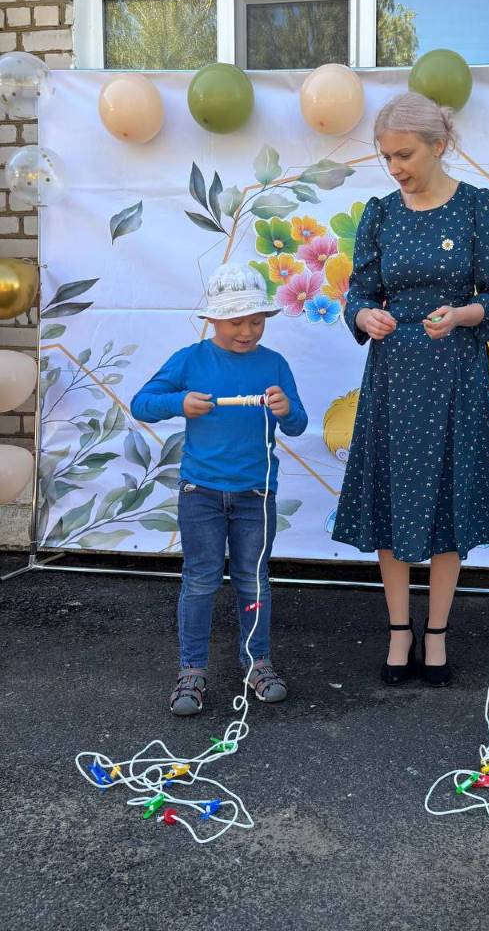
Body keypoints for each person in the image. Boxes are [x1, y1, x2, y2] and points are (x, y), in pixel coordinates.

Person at [332, 91, 489, 688]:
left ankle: (436, 632)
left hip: (455, 372)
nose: (395, 168)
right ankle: (399, 631)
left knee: (447, 501)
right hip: (391, 376)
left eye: (404, 155)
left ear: (439, 145)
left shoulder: (478, 207)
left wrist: (463, 315)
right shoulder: (380, 213)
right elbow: (360, 293)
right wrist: (364, 316)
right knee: (391, 498)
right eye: (386, 156)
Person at [130, 264, 307, 716]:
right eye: (236, 322)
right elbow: (141, 404)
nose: (247, 331)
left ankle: (257, 662)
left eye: (256, 321)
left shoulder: (274, 364)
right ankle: (191, 669)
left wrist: (286, 410)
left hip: (256, 494)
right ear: (213, 319)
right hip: (200, 492)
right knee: (200, 580)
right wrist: (179, 402)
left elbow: (298, 424)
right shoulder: (190, 359)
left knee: (254, 580)